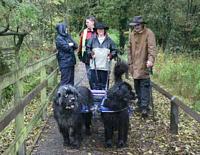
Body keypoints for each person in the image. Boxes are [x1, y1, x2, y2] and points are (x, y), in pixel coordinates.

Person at [128, 16, 156, 118]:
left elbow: (152, 48)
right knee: (137, 86)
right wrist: (130, 63)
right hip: (134, 65)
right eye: (134, 25)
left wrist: (151, 60)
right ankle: (140, 104)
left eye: (138, 25)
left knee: (145, 86)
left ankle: (145, 107)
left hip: (144, 64)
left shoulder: (149, 33)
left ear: (142, 24)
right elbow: (129, 49)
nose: (136, 27)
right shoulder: (132, 34)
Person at [86, 22, 117, 90]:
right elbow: (87, 49)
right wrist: (91, 54)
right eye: (99, 29)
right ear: (96, 30)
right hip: (94, 67)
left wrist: (111, 55)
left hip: (105, 67)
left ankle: (104, 99)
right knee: (95, 84)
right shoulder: (92, 40)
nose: (100, 31)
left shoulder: (109, 41)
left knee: (104, 85)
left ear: (104, 30)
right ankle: (96, 99)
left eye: (102, 30)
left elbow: (115, 50)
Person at [78, 16, 96, 88]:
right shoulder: (84, 32)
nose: (86, 24)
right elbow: (80, 44)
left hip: (98, 57)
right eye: (86, 22)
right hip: (87, 58)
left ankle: (99, 92)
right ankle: (92, 90)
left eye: (87, 22)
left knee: (97, 75)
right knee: (89, 75)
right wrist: (80, 55)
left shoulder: (99, 30)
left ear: (93, 22)